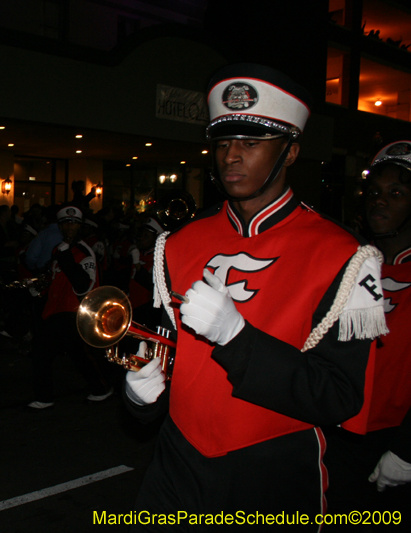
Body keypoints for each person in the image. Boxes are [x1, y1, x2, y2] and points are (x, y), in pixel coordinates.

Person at [124, 64, 387, 529]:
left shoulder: (342, 255)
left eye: (251, 142)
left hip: (272, 468)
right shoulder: (179, 243)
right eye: (223, 142)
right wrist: (142, 394)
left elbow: (339, 396)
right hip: (177, 460)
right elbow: (165, 351)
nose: (231, 157)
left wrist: (238, 338)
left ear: (290, 152)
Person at [325, 141, 411, 518]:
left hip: (399, 438)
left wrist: (409, 450)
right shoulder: (350, 263)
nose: (380, 201)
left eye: (396, 193)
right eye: (374, 192)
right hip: (341, 432)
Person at [27, 204, 112, 409]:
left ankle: (48, 396)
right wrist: (40, 286)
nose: (69, 228)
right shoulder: (58, 249)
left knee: (56, 354)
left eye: (74, 224)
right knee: (69, 354)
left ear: (80, 226)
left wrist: (66, 258)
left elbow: (84, 285)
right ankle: (98, 389)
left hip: (73, 311)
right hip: (55, 308)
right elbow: (56, 277)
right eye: (65, 224)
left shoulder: (83, 251)